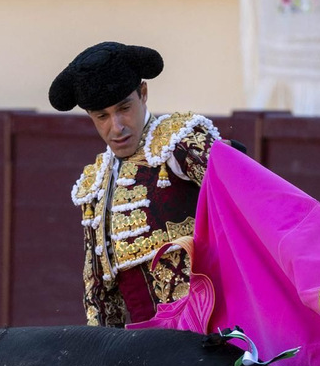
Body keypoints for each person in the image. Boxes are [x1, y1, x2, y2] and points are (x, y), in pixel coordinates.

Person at [50, 42, 222, 327]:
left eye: (124, 108)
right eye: (102, 116)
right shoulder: (96, 185)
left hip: (210, 333)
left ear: (143, 94)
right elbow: (100, 293)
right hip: (143, 350)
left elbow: (245, 202)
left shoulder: (179, 142)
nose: (116, 127)